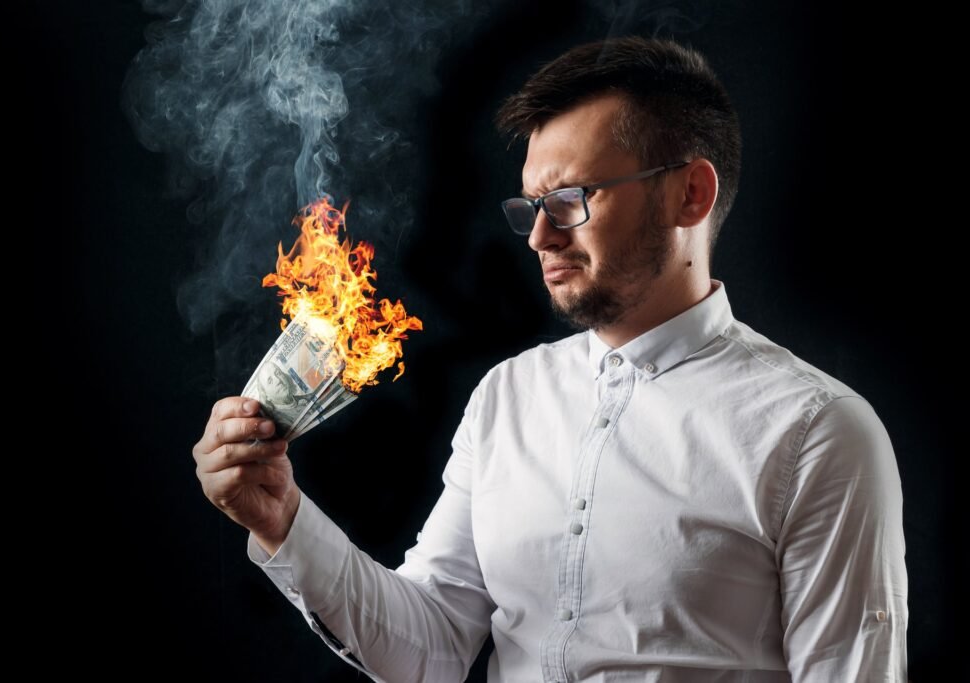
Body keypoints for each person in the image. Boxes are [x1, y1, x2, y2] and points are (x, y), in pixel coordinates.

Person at [192, 36, 908, 682]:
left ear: (690, 194)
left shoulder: (819, 433)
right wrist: (282, 517)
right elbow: (431, 648)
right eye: (531, 205)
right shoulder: (508, 396)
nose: (538, 237)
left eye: (571, 199)